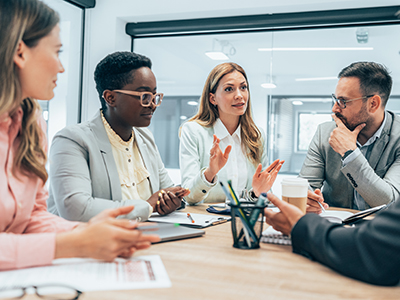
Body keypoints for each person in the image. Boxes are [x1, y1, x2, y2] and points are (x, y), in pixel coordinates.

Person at [0, 0, 159, 271]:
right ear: (20, 52)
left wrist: (85, 233)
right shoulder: (73, 138)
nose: (61, 68)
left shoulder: (30, 123)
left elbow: (32, 217)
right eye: (57, 52)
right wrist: (73, 243)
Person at [47, 51, 189, 222]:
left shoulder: (145, 137)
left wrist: (172, 201)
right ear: (110, 98)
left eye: (154, 96)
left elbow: (167, 189)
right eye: (144, 96)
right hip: (91, 243)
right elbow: (76, 208)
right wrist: (149, 206)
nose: (152, 104)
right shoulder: (72, 140)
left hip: (144, 236)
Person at [299, 62, 400, 212]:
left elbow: (389, 203)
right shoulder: (324, 133)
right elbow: (305, 186)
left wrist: (351, 154)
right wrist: (306, 199)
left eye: (343, 101)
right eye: (335, 99)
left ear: (373, 104)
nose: (334, 109)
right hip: (334, 226)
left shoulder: (397, 137)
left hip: (380, 230)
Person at [179, 62, 284, 204]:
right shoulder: (193, 131)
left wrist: (256, 193)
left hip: (243, 220)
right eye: (229, 89)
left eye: (243, 87)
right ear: (213, 98)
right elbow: (188, 196)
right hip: (205, 221)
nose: (239, 95)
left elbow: (264, 196)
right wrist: (210, 172)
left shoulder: (256, 136)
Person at [264, 193, 400, 286]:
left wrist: (302, 224)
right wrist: (309, 199)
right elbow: (308, 182)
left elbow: (376, 251)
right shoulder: (323, 149)